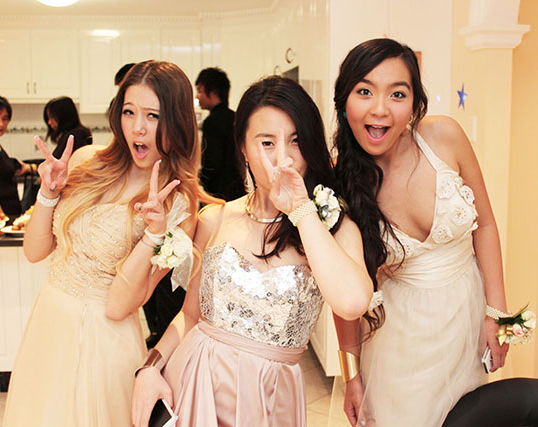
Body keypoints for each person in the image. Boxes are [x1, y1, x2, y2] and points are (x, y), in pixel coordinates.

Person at [131, 76, 373, 427]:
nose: (283, 158)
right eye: (267, 142)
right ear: (243, 148)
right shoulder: (215, 218)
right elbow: (190, 315)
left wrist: (301, 210)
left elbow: (351, 303)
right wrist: (151, 367)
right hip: (196, 382)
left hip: (272, 398)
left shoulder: (332, 227)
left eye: (296, 141)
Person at [2, 60, 214, 426]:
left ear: (177, 121)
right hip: (49, 322)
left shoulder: (179, 206)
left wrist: (153, 234)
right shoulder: (87, 161)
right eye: (129, 112)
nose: (138, 127)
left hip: (103, 340)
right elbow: (35, 251)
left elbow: (120, 306)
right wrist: (48, 193)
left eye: (153, 116)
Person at [331, 38, 509, 427]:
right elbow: (343, 294)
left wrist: (496, 313)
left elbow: (485, 225)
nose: (380, 109)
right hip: (398, 340)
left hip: (466, 318)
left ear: (414, 104)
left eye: (397, 94)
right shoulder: (338, 183)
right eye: (365, 91)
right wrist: (352, 376)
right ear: (344, 102)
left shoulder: (444, 136)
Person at [195, 67, 245, 201]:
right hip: (239, 190)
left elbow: (212, 163)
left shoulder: (211, 122)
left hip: (219, 193)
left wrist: (201, 183)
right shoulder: (237, 118)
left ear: (213, 93)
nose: (197, 96)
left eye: (200, 91)